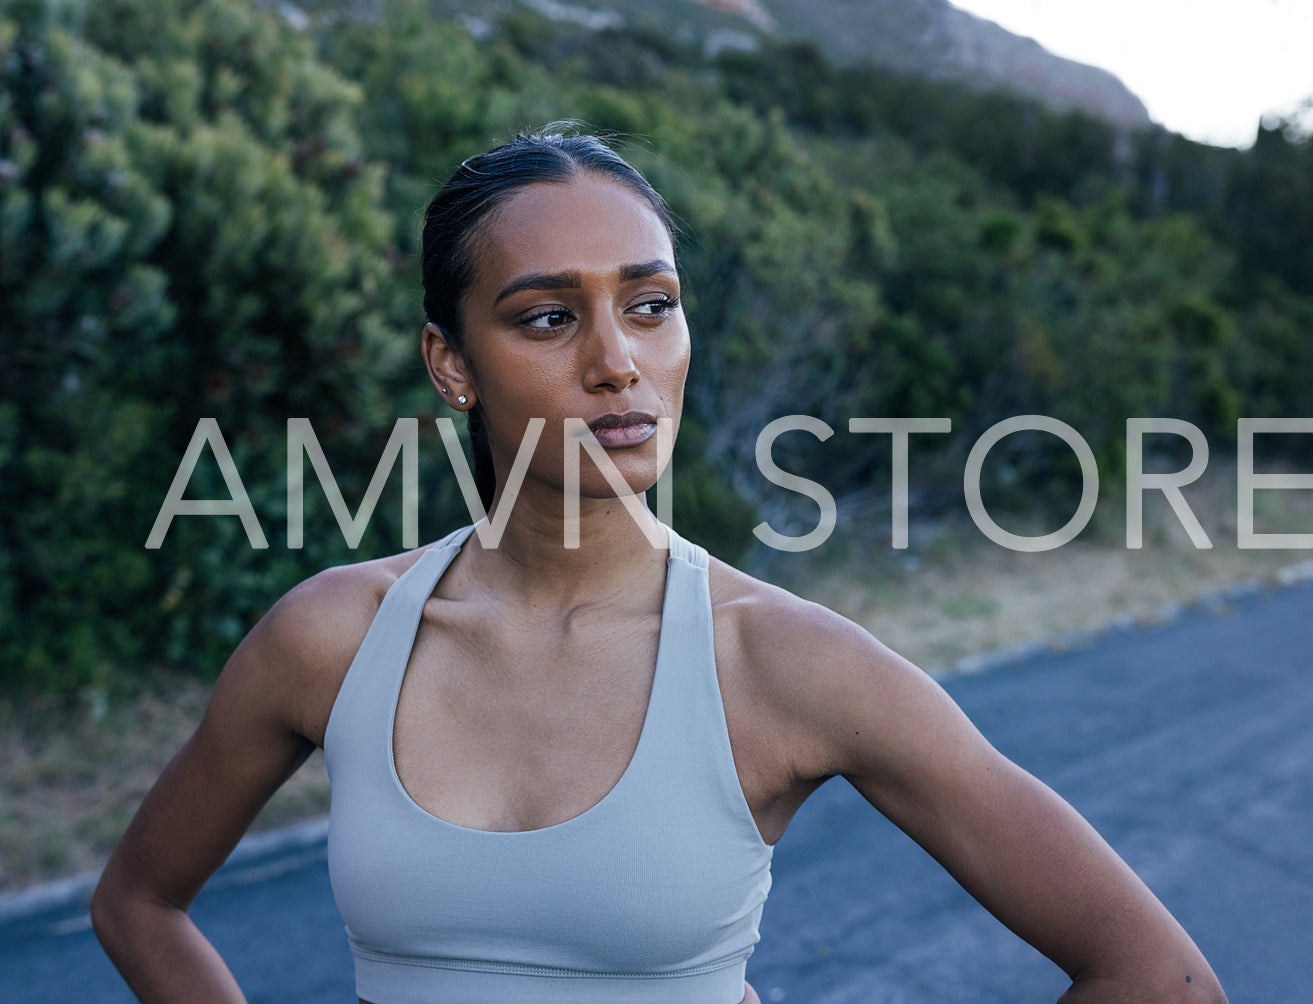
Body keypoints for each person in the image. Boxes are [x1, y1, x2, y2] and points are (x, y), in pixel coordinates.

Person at [92, 127, 1227, 1004]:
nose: (615, 362)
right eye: (545, 318)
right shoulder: (335, 635)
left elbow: (1157, 975)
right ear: (451, 363)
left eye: (650, 305)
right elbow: (139, 899)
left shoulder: (779, 661)